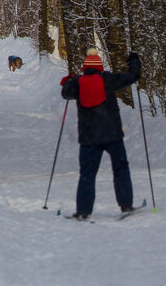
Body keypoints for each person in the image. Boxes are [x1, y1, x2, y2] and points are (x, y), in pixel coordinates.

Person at [60, 47, 141, 219]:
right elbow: (133, 76)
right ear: (100, 67)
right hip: (112, 134)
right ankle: (126, 205)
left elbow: (65, 93)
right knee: (120, 169)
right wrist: (134, 61)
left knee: (87, 174)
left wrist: (70, 80)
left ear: (85, 68)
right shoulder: (108, 80)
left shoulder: (78, 83)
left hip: (89, 137)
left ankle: (83, 211)